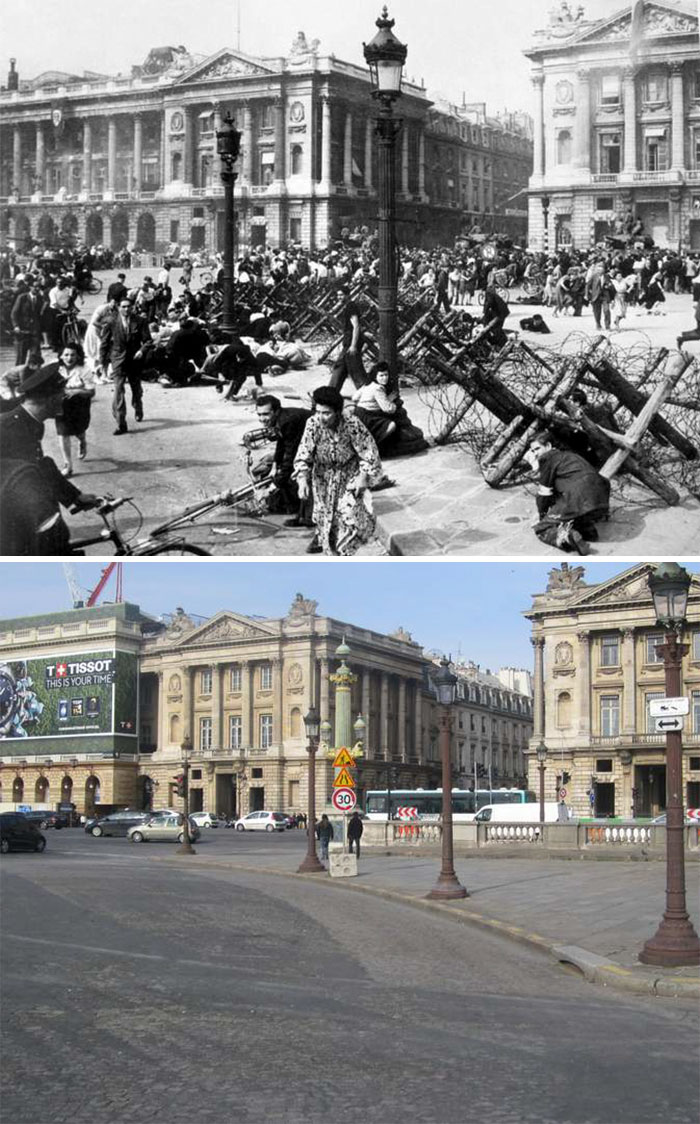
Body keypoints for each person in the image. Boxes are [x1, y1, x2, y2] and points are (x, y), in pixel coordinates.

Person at [0, 364, 101, 554]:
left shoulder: (32, 424)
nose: (64, 399)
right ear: (51, 398)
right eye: (62, 395)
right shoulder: (6, 427)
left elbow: (40, 465)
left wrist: (74, 497)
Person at [293, 385, 383, 555]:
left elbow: (369, 452)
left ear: (338, 411)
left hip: (348, 476)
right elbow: (303, 453)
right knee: (326, 522)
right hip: (323, 479)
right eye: (318, 412)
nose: (321, 417)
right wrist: (302, 479)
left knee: (349, 519)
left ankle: (344, 554)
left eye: (326, 413)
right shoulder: (312, 424)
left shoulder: (352, 424)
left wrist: (363, 476)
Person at [525, 430, 611, 555]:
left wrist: (543, 517)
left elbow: (544, 493)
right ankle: (586, 530)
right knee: (570, 512)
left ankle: (566, 537)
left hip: (578, 497)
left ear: (548, 446)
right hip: (600, 499)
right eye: (532, 451)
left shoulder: (547, 459)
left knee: (542, 529)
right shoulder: (569, 455)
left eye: (537, 449)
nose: (535, 454)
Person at [253, 395, 313, 522]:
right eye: (259, 415)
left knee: (292, 476)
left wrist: (271, 488)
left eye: (265, 414)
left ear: (276, 411)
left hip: (320, 445)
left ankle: (302, 512)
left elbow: (291, 458)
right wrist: (275, 466)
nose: (262, 419)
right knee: (267, 466)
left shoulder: (288, 421)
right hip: (305, 444)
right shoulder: (280, 419)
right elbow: (281, 444)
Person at [352, 362, 429, 456]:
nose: (384, 378)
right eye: (381, 375)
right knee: (391, 425)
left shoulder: (368, 385)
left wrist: (369, 401)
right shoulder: (378, 388)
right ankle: (375, 445)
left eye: (386, 375)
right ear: (375, 376)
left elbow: (354, 398)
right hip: (369, 416)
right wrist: (391, 400)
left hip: (359, 413)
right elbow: (388, 409)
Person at [99, 297, 149, 434]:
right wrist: (101, 362)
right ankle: (121, 423)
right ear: (119, 308)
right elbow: (104, 343)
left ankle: (138, 406)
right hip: (118, 359)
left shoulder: (140, 321)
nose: (126, 309)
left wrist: (141, 351)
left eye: (129, 307)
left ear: (132, 307)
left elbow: (148, 340)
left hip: (134, 360)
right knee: (118, 390)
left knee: (136, 389)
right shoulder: (111, 321)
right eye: (123, 307)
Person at [54, 342, 96, 476]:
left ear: (78, 356)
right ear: (61, 356)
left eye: (73, 355)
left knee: (79, 431)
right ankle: (68, 465)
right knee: (63, 433)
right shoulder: (55, 370)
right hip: (61, 405)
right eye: (66, 354)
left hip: (79, 406)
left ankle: (82, 441)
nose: (69, 358)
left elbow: (91, 392)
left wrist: (77, 391)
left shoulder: (84, 370)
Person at [329, 286, 368, 391]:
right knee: (341, 366)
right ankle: (332, 391)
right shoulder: (348, 306)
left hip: (351, 342)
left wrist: (353, 345)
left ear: (347, 295)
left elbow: (356, 326)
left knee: (355, 369)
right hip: (348, 341)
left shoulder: (351, 306)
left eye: (341, 295)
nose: (339, 297)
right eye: (338, 295)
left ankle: (366, 392)